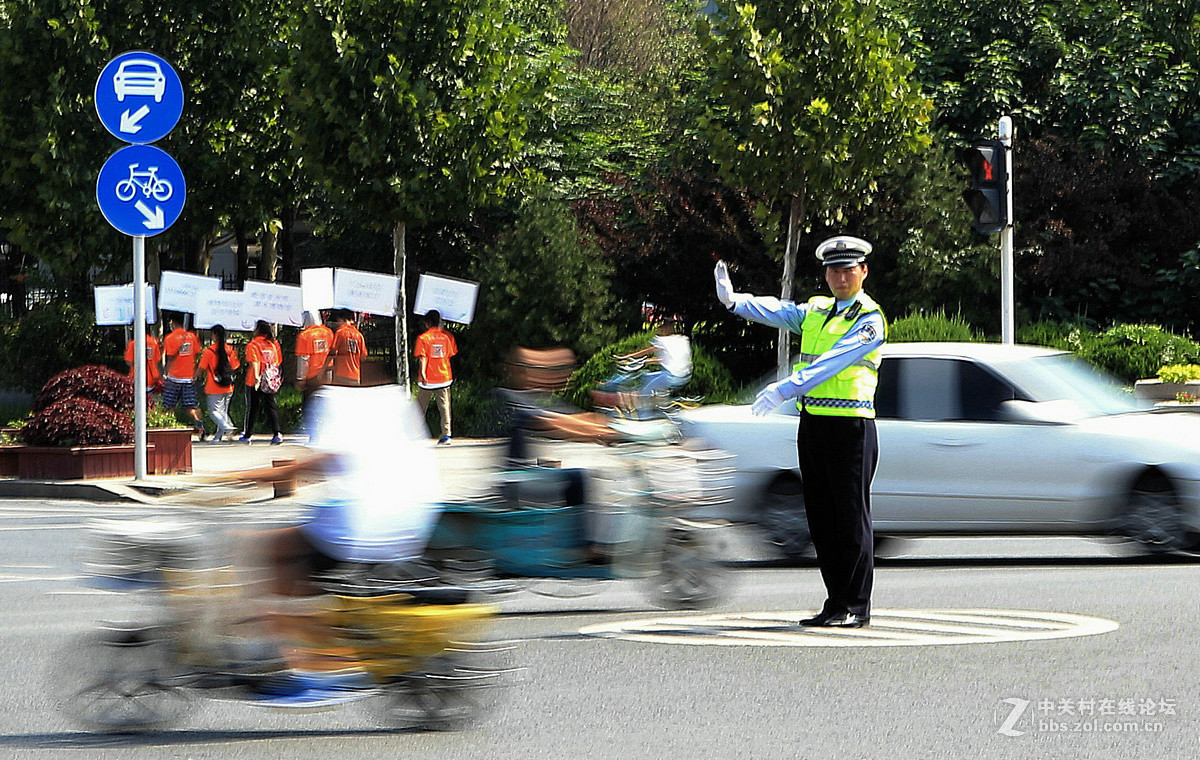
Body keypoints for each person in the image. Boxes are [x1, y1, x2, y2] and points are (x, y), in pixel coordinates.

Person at [715, 236, 886, 629]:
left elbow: (832, 362)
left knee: (850, 519)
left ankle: (856, 606)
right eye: (833, 270)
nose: (840, 277)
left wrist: (785, 387)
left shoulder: (870, 318)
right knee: (822, 519)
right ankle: (835, 602)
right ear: (825, 273)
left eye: (848, 270)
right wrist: (735, 301)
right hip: (814, 424)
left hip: (851, 428)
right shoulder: (819, 310)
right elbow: (779, 310)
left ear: (863, 272)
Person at [611, 319, 692, 409]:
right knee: (647, 376)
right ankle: (661, 402)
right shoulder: (682, 339)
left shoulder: (662, 340)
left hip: (671, 375)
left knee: (645, 392)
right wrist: (646, 361)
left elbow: (649, 350)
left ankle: (646, 415)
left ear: (664, 328)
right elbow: (669, 359)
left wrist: (627, 356)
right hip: (683, 375)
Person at [413, 310, 457, 444]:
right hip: (444, 376)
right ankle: (446, 434)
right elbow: (450, 353)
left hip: (428, 379)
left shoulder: (423, 338)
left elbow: (423, 358)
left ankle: (415, 433)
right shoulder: (447, 337)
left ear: (428, 323)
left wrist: (423, 373)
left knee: (420, 407)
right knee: (444, 407)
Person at [161, 312, 205, 439]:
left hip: (173, 378)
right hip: (188, 377)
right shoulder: (191, 337)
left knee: (169, 406)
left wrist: (165, 372)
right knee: (191, 406)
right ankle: (200, 425)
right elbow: (197, 352)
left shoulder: (170, 338)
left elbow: (169, 358)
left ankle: (167, 429)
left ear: (174, 322)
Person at [240, 320, 284, 445]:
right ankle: (277, 433)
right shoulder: (274, 344)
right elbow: (278, 361)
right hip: (270, 379)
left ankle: (248, 435)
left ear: (258, 330)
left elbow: (255, 361)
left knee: (253, 407)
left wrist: (256, 377)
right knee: (270, 406)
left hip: (254, 380)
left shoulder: (253, 344)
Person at [195, 324, 241, 443]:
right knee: (223, 412)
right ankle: (218, 437)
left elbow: (201, 368)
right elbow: (235, 366)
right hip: (228, 385)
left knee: (213, 411)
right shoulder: (230, 350)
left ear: (214, 335)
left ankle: (228, 427)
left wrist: (194, 377)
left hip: (214, 387)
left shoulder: (209, 351)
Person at [294, 310, 333, 414]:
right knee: (325, 401)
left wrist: (301, 378)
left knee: (310, 404)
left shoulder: (305, 335)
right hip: (327, 372)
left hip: (312, 375)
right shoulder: (328, 332)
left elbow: (303, 359)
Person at [123, 330, 162, 401]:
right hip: (151, 380)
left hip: (136, 378)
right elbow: (157, 360)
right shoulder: (154, 342)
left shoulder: (133, 343)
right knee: (151, 404)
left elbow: (129, 361)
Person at [329, 309, 365, 387]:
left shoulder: (340, 332)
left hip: (341, 374)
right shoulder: (359, 335)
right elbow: (363, 357)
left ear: (341, 319)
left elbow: (333, 351)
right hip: (355, 376)